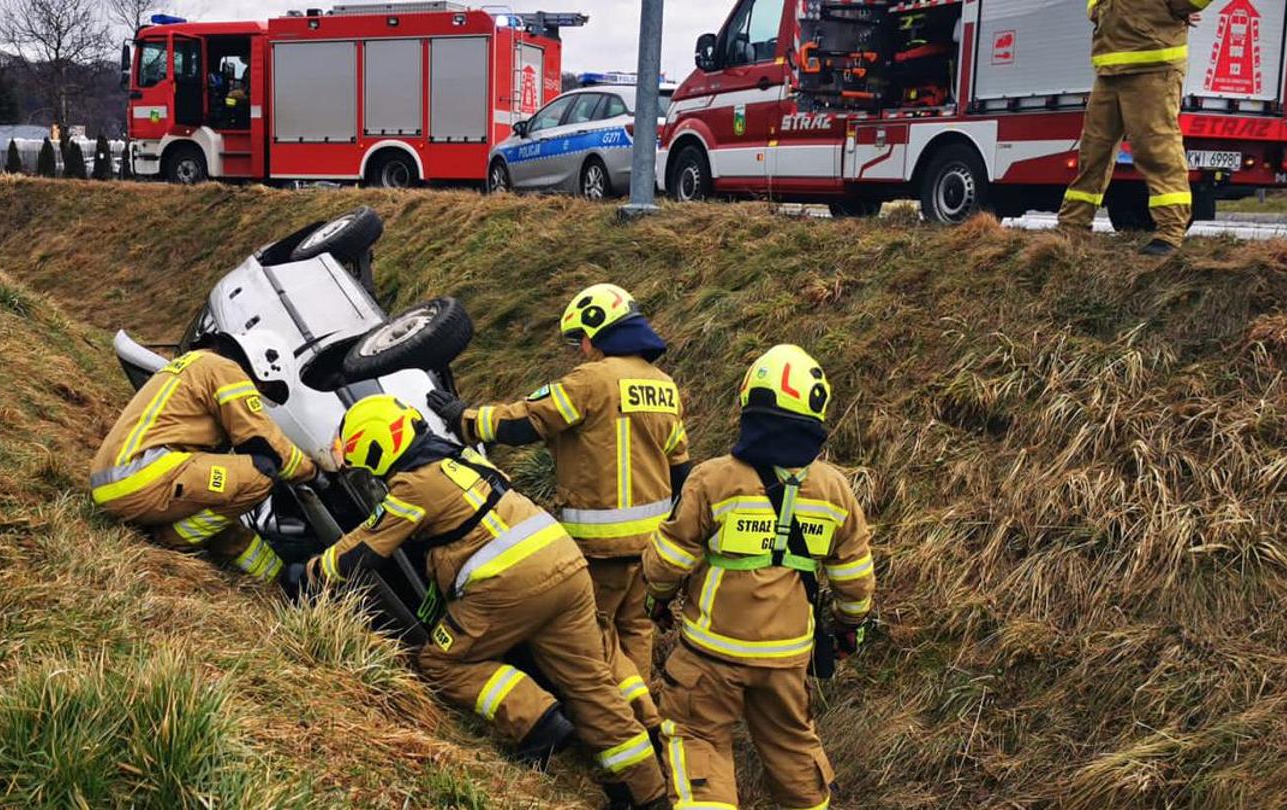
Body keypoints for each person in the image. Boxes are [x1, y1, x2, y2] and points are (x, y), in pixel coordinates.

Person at [302, 394, 670, 809]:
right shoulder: (462, 460)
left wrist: (311, 573)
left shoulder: (413, 486)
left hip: (509, 585)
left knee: (441, 662)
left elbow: (363, 549)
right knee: (590, 685)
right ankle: (647, 792)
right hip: (566, 565)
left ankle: (536, 720)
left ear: (376, 447)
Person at [642, 344, 875, 810]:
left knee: (697, 738)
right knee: (793, 750)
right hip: (787, 658)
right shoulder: (834, 489)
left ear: (749, 404)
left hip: (711, 652)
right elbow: (854, 577)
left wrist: (658, 600)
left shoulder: (712, 479)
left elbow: (667, 560)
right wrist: (850, 628)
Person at [429, 283, 688, 698]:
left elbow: (526, 421)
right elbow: (680, 467)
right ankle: (645, 712)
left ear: (597, 332)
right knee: (635, 629)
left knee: (594, 638)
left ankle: (614, 719)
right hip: (650, 547)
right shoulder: (664, 387)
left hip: (599, 549)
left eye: (581, 341)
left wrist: (467, 419)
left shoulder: (591, 380)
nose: (582, 351)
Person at [89, 330, 316, 580]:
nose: (259, 391)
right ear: (261, 365)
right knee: (260, 473)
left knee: (219, 522)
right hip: (140, 478)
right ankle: (170, 538)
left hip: (117, 481)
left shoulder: (200, 361)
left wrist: (285, 577)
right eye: (263, 386)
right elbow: (263, 441)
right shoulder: (226, 369)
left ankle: (281, 579)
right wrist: (314, 471)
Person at [1057, 0, 1208, 256]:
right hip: (1109, 69)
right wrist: (1097, 9)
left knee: (1156, 149)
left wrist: (1179, 7)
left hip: (1154, 67)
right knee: (1093, 153)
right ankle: (1073, 226)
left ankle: (1170, 232)